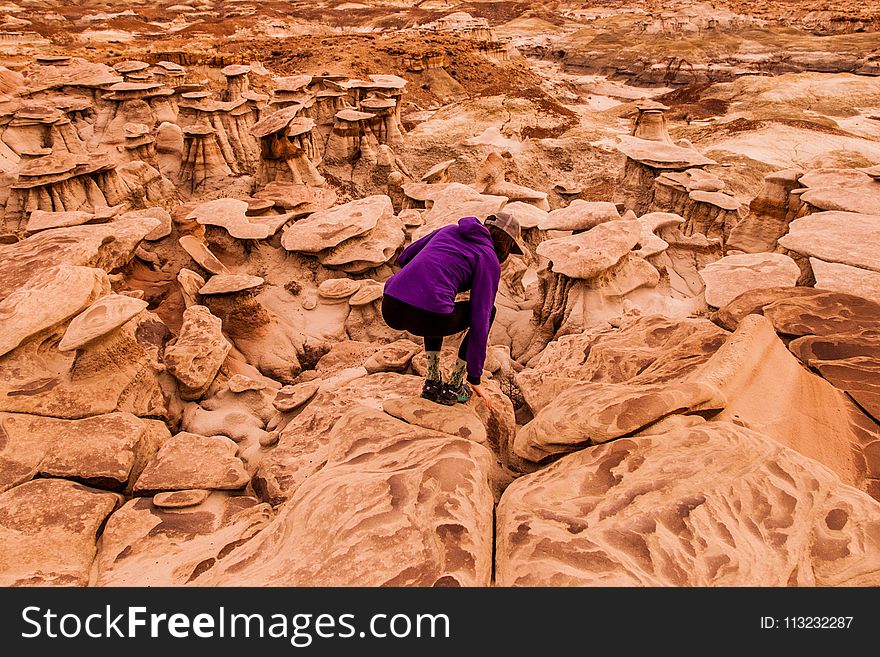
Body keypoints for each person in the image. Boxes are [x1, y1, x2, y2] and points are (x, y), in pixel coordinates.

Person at [381, 212, 524, 407]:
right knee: (488, 313)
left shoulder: (449, 230)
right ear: (506, 245)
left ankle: (432, 382)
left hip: (390, 306)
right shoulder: (488, 257)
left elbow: (406, 257)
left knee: (437, 302)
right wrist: (475, 377)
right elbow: (480, 317)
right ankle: (455, 384)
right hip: (426, 318)